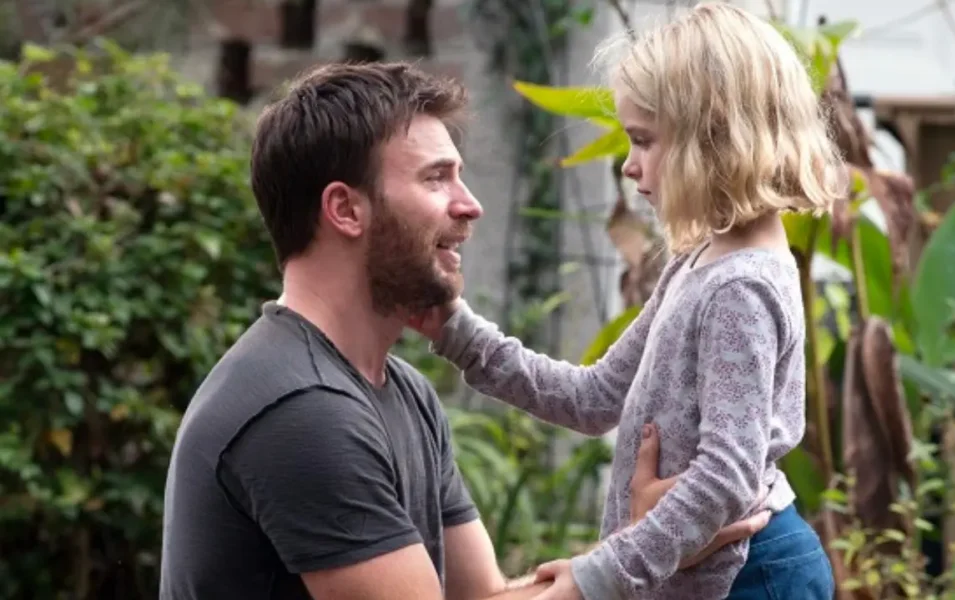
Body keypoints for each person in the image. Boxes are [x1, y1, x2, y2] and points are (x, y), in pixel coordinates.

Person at [159, 61, 768, 600]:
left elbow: (482, 596)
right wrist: (645, 552)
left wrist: (645, 548)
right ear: (345, 209)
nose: (470, 203)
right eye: (435, 178)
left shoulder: (400, 391)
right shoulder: (303, 411)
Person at [408, 3, 846, 599]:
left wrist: (598, 577)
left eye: (643, 141)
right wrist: (456, 332)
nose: (629, 165)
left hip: (753, 576)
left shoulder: (740, 288)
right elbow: (594, 398)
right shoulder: (700, 262)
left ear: (714, 138)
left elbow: (726, 476)